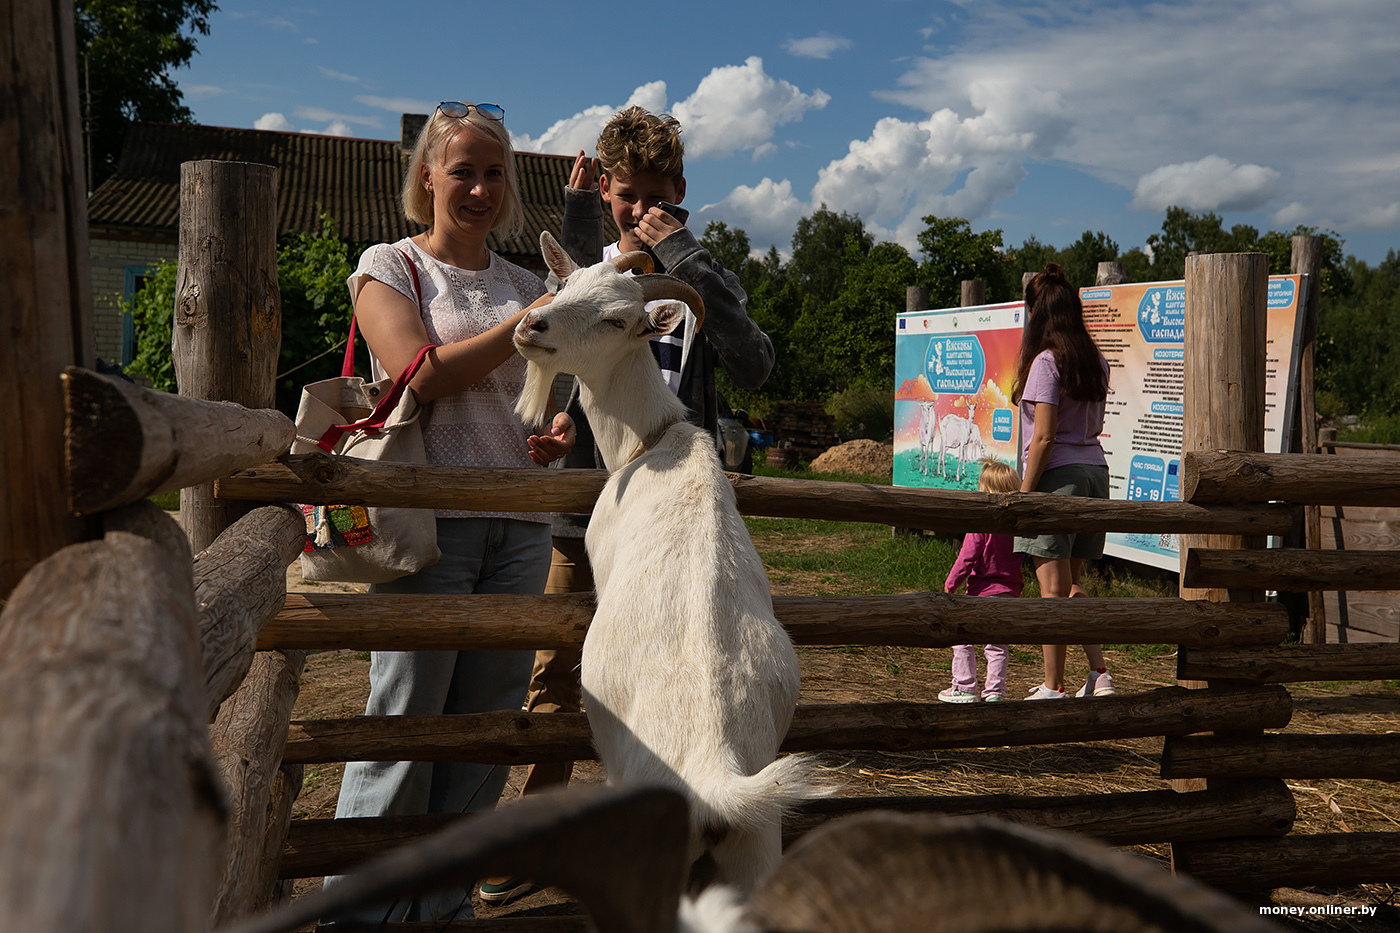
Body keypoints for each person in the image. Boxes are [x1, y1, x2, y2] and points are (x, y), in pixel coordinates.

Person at [479, 106, 775, 906]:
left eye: (655, 195)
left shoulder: (699, 276)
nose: (638, 208)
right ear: (603, 190)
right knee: (557, 673)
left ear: (680, 191)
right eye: (624, 195)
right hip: (594, 509)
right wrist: (563, 431)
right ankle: (541, 831)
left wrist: (678, 252)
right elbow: (566, 365)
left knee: (697, 659)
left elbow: (753, 362)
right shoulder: (586, 276)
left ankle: (697, 814)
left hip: (679, 507)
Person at [322, 100, 575, 924]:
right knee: (404, 722)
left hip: (520, 527)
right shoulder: (389, 265)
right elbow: (415, 376)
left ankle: (440, 908)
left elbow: (541, 408)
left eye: (493, 172)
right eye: (461, 169)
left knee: (480, 736)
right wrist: (527, 326)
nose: (478, 188)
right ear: (426, 175)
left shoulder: (526, 282)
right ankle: (364, 912)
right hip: (426, 525)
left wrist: (556, 433)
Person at [1012, 263, 1115, 701]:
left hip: (1060, 480)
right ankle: (1099, 673)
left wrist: (1022, 496)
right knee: (1072, 585)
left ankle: (1053, 687)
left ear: (1037, 314)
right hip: (1096, 474)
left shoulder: (1046, 362)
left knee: (1051, 590)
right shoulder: (1095, 360)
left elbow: (1045, 437)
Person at [940, 459, 1024, 703]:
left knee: (962, 636)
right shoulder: (1017, 524)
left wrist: (951, 583)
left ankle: (964, 686)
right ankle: (995, 692)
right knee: (997, 645)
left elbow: (968, 555)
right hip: (1009, 591)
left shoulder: (981, 523)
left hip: (981, 591)